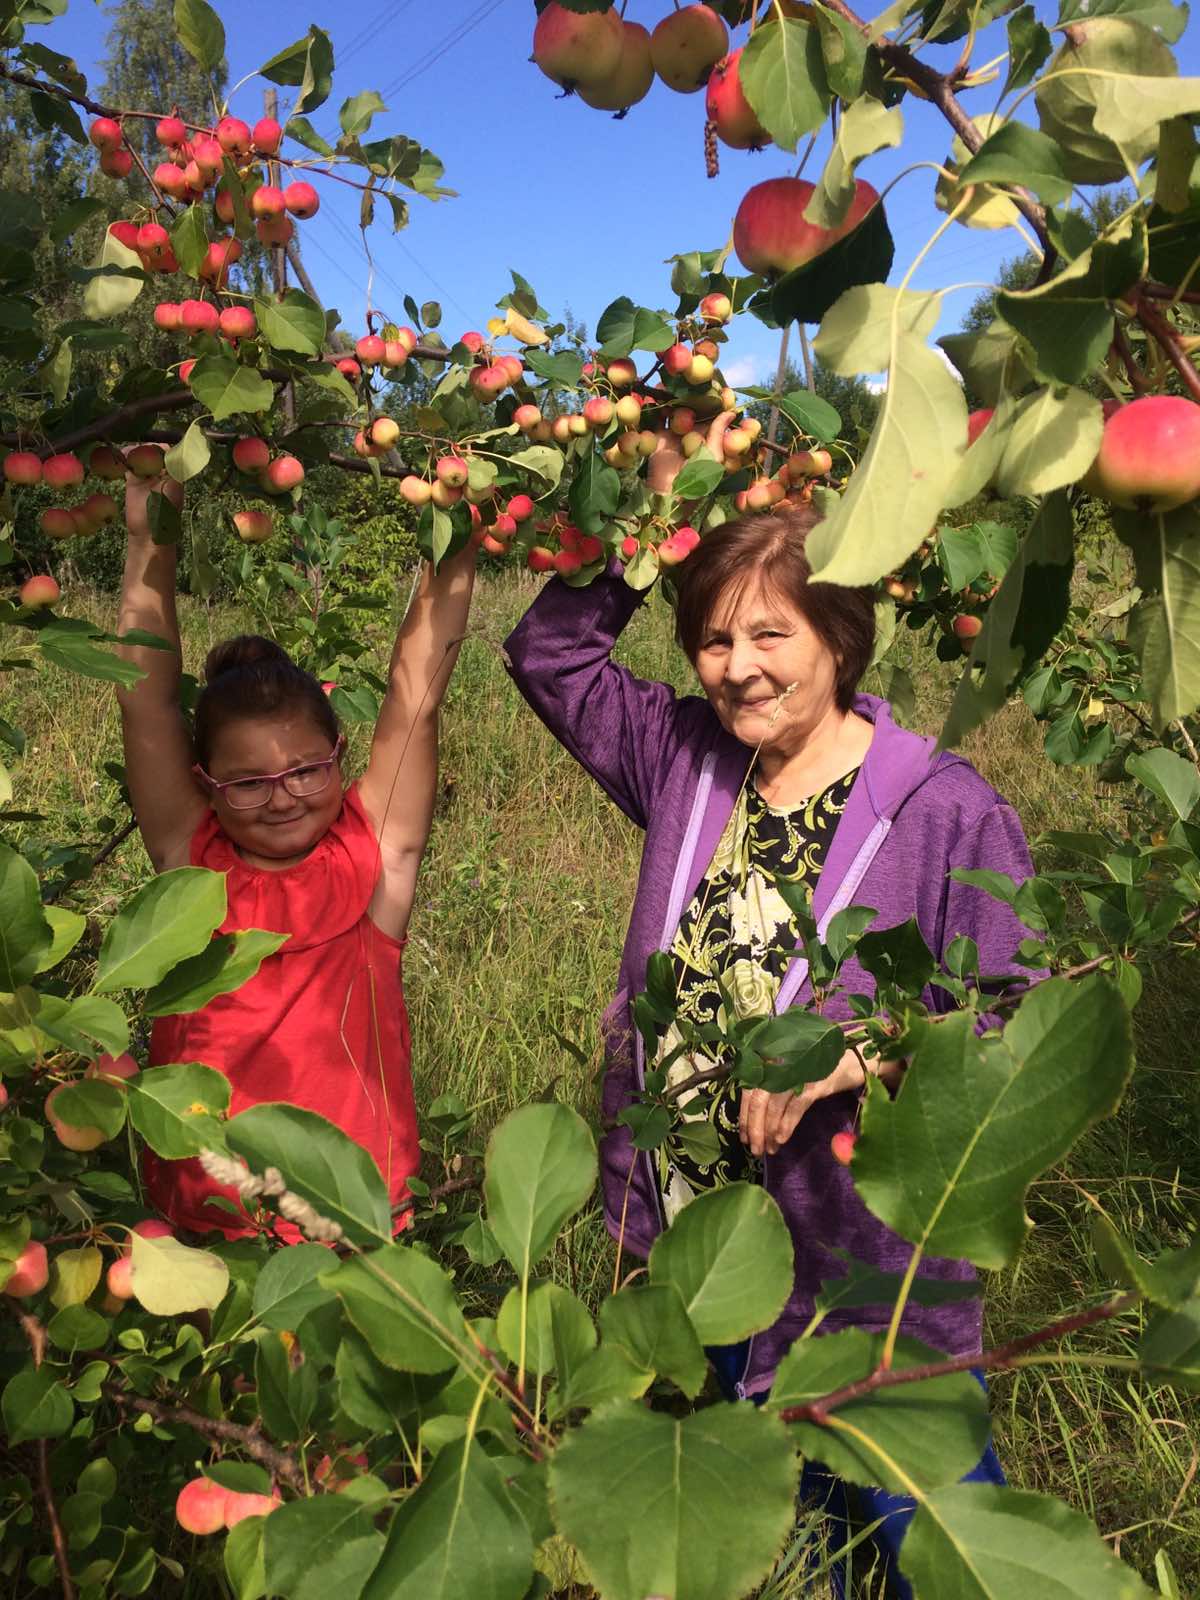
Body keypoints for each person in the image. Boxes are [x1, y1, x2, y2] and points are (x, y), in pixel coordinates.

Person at [502, 433, 1034, 1594]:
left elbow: (1018, 1016)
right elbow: (549, 653)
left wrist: (868, 1048)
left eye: (769, 633)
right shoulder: (687, 759)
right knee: (774, 1549)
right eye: (712, 638)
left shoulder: (941, 807)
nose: (737, 667)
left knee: (927, 1535)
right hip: (689, 1246)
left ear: (839, 637)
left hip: (864, 1269)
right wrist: (647, 522)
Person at [115, 473, 477, 1239]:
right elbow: (142, 699)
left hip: (353, 1208)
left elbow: (417, 699)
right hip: (211, 1208)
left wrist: (462, 520)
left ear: (341, 757)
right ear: (203, 783)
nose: (282, 798)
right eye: (247, 783)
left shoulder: (372, 858)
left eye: (305, 770)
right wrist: (152, 529)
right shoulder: (192, 862)